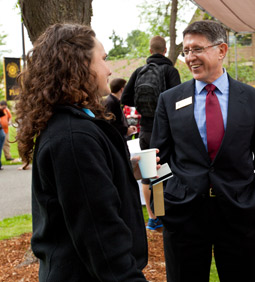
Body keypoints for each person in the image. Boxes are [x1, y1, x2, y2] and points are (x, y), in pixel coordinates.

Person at [15, 23, 152, 281]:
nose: (109, 69)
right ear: (79, 65)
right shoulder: (73, 137)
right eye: (103, 59)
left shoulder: (74, 125)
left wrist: (122, 167)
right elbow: (100, 235)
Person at [150, 20, 255, 282]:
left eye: (197, 49)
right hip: (184, 217)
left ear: (222, 50)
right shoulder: (169, 99)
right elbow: (158, 160)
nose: (190, 57)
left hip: (238, 215)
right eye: (186, 51)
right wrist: (163, 207)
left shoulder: (253, 100)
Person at [122, 35, 181, 230]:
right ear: (165, 51)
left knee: (148, 174)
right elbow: (177, 101)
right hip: (165, 131)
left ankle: (153, 217)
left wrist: (142, 105)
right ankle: (164, 214)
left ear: (150, 51)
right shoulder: (170, 71)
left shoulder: (140, 71)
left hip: (145, 131)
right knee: (163, 172)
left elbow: (125, 97)